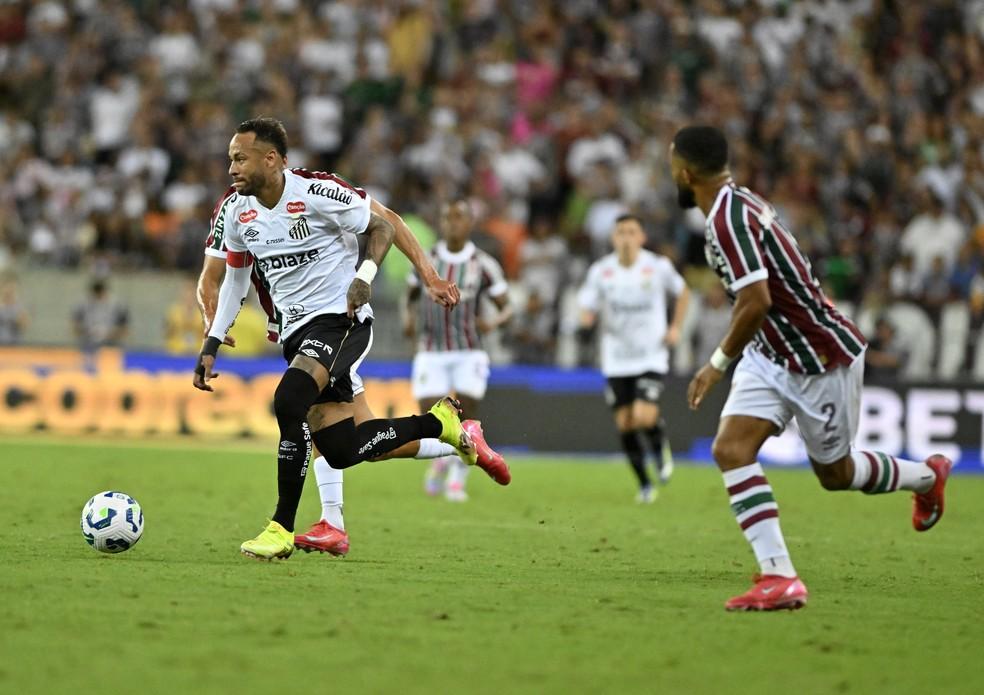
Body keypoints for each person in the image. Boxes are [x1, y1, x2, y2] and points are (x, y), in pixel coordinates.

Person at [193, 117, 507, 561]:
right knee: (341, 449)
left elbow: (384, 225)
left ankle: (280, 527)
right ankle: (443, 427)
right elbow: (234, 280)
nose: (231, 168)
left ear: (272, 159)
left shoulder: (316, 191)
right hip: (295, 333)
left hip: (341, 321)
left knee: (289, 401)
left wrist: (369, 276)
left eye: (240, 158)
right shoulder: (236, 211)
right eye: (230, 159)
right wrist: (211, 341)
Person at [670, 125, 952, 611]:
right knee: (731, 449)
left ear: (685, 171)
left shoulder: (727, 221)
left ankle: (927, 477)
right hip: (770, 353)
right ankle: (779, 576)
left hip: (818, 358)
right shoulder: (735, 205)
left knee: (836, 474)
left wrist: (715, 365)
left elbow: (755, 301)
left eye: (671, 163)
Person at [577, 214, 691, 503]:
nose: (626, 237)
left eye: (632, 232)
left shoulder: (657, 266)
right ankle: (644, 484)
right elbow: (586, 303)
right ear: (613, 238)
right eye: (621, 232)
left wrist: (675, 327)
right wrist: (586, 318)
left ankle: (660, 445)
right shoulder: (601, 271)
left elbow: (683, 292)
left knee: (643, 416)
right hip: (616, 358)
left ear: (641, 237)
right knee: (625, 423)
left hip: (650, 354)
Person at [405, 199, 512, 501]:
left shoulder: (483, 264)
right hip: (431, 349)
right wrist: (407, 319)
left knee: (467, 415)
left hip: (469, 349)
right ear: (441, 222)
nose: (453, 223)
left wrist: (494, 321)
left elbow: (507, 307)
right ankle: (441, 460)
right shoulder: (427, 259)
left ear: (469, 223)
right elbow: (409, 295)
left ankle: (457, 478)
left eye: (459, 218)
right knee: (431, 417)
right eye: (447, 217)